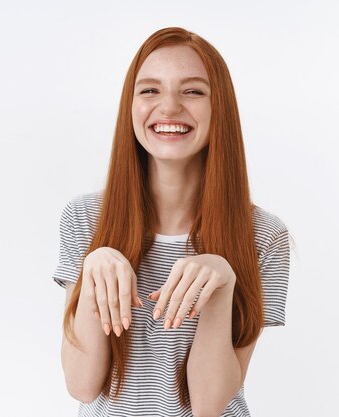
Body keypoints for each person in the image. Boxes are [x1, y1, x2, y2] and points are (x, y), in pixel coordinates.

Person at [52, 27, 290, 417]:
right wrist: (93, 270)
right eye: (149, 90)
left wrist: (222, 283)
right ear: (130, 106)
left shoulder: (264, 236)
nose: (169, 107)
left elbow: (209, 405)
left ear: (220, 108)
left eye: (193, 91)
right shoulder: (84, 219)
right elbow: (81, 384)